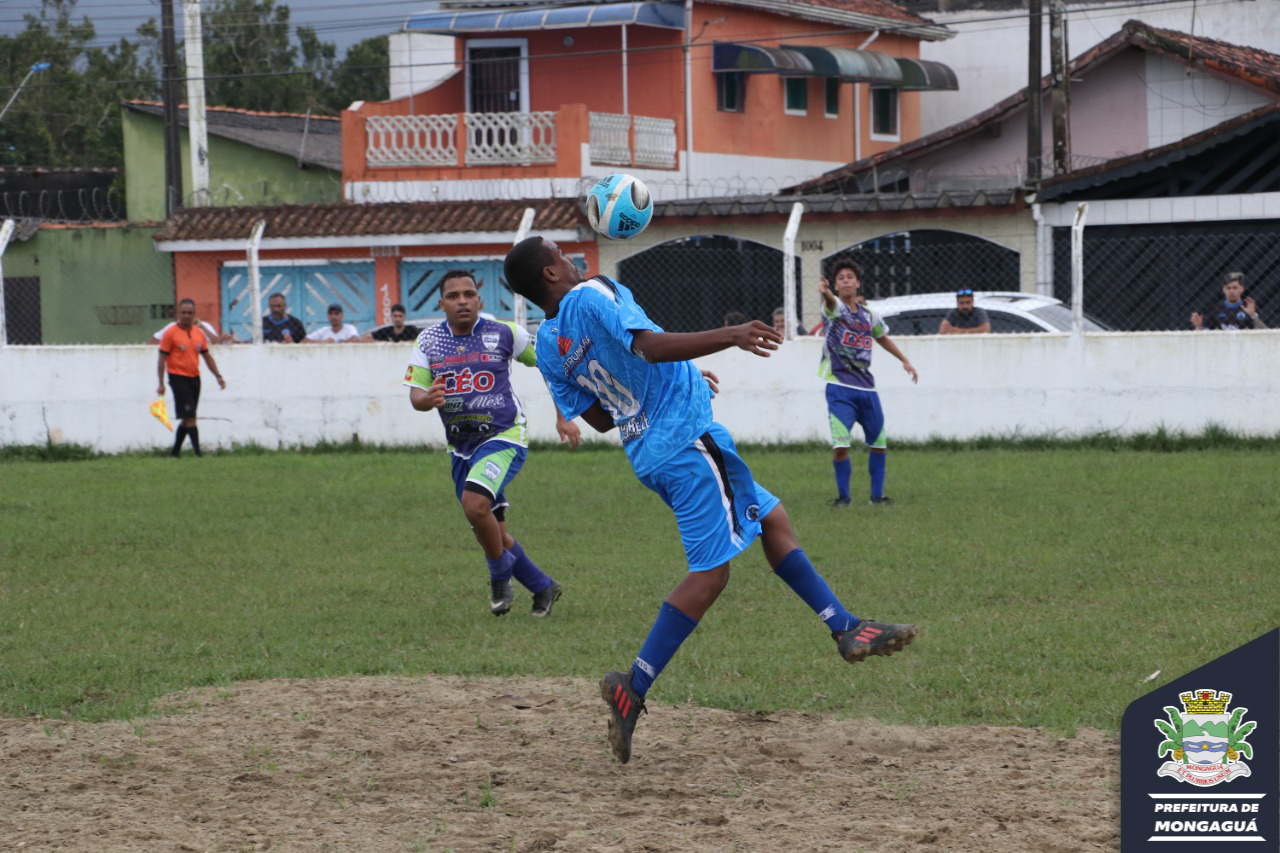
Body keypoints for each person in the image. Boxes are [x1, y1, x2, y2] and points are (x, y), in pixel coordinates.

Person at [504, 236, 918, 764]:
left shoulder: (549, 343)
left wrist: (677, 376)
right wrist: (732, 334)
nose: (570, 258)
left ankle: (845, 627)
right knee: (711, 573)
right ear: (550, 274)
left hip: (654, 451)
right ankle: (633, 685)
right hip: (686, 442)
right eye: (560, 255)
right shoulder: (593, 292)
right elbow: (648, 346)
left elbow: (604, 415)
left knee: (772, 518)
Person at [403, 269, 579, 618]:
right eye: (453, 296)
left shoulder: (504, 332)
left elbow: (550, 365)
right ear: (442, 304)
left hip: (504, 436)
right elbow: (416, 396)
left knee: (474, 506)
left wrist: (564, 414)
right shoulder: (428, 341)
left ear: (479, 300)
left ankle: (499, 576)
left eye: (468, 294)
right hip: (460, 447)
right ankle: (543, 586)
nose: (462, 301)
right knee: (493, 529)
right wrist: (429, 399)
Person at [818, 258, 918, 507]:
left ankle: (877, 497)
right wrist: (827, 294)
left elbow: (882, 337)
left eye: (850, 277)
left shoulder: (869, 315)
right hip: (840, 388)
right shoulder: (834, 309)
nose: (846, 281)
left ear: (858, 283)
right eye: (841, 278)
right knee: (841, 446)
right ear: (837, 286)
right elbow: (831, 303)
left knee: (879, 444)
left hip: (867, 389)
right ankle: (844, 498)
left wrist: (904, 360)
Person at [156, 298, 226, 457]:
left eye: (190, 313)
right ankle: (198, 453)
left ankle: (174, 453)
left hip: (195, 378)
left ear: (194, 314)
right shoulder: (170, 333)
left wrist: (218, 376)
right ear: (178, 314)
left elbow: (207, 356)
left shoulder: (198, 333)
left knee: (187, 418)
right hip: (177, 378)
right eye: (183, 312)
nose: (186, 315)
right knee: (192, 417)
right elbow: (161, 359)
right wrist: (161, 383)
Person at [1191, 272, 1267, 330]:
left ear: (1242, 289)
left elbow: (1266, 332)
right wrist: (1199, 327)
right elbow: (1208, 334)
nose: (1231, 291)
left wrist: (1253, 315)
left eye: (1235, 288)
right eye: (1228, 288)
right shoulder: (1216, 309)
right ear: (1224, 290)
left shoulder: (1250, 307)